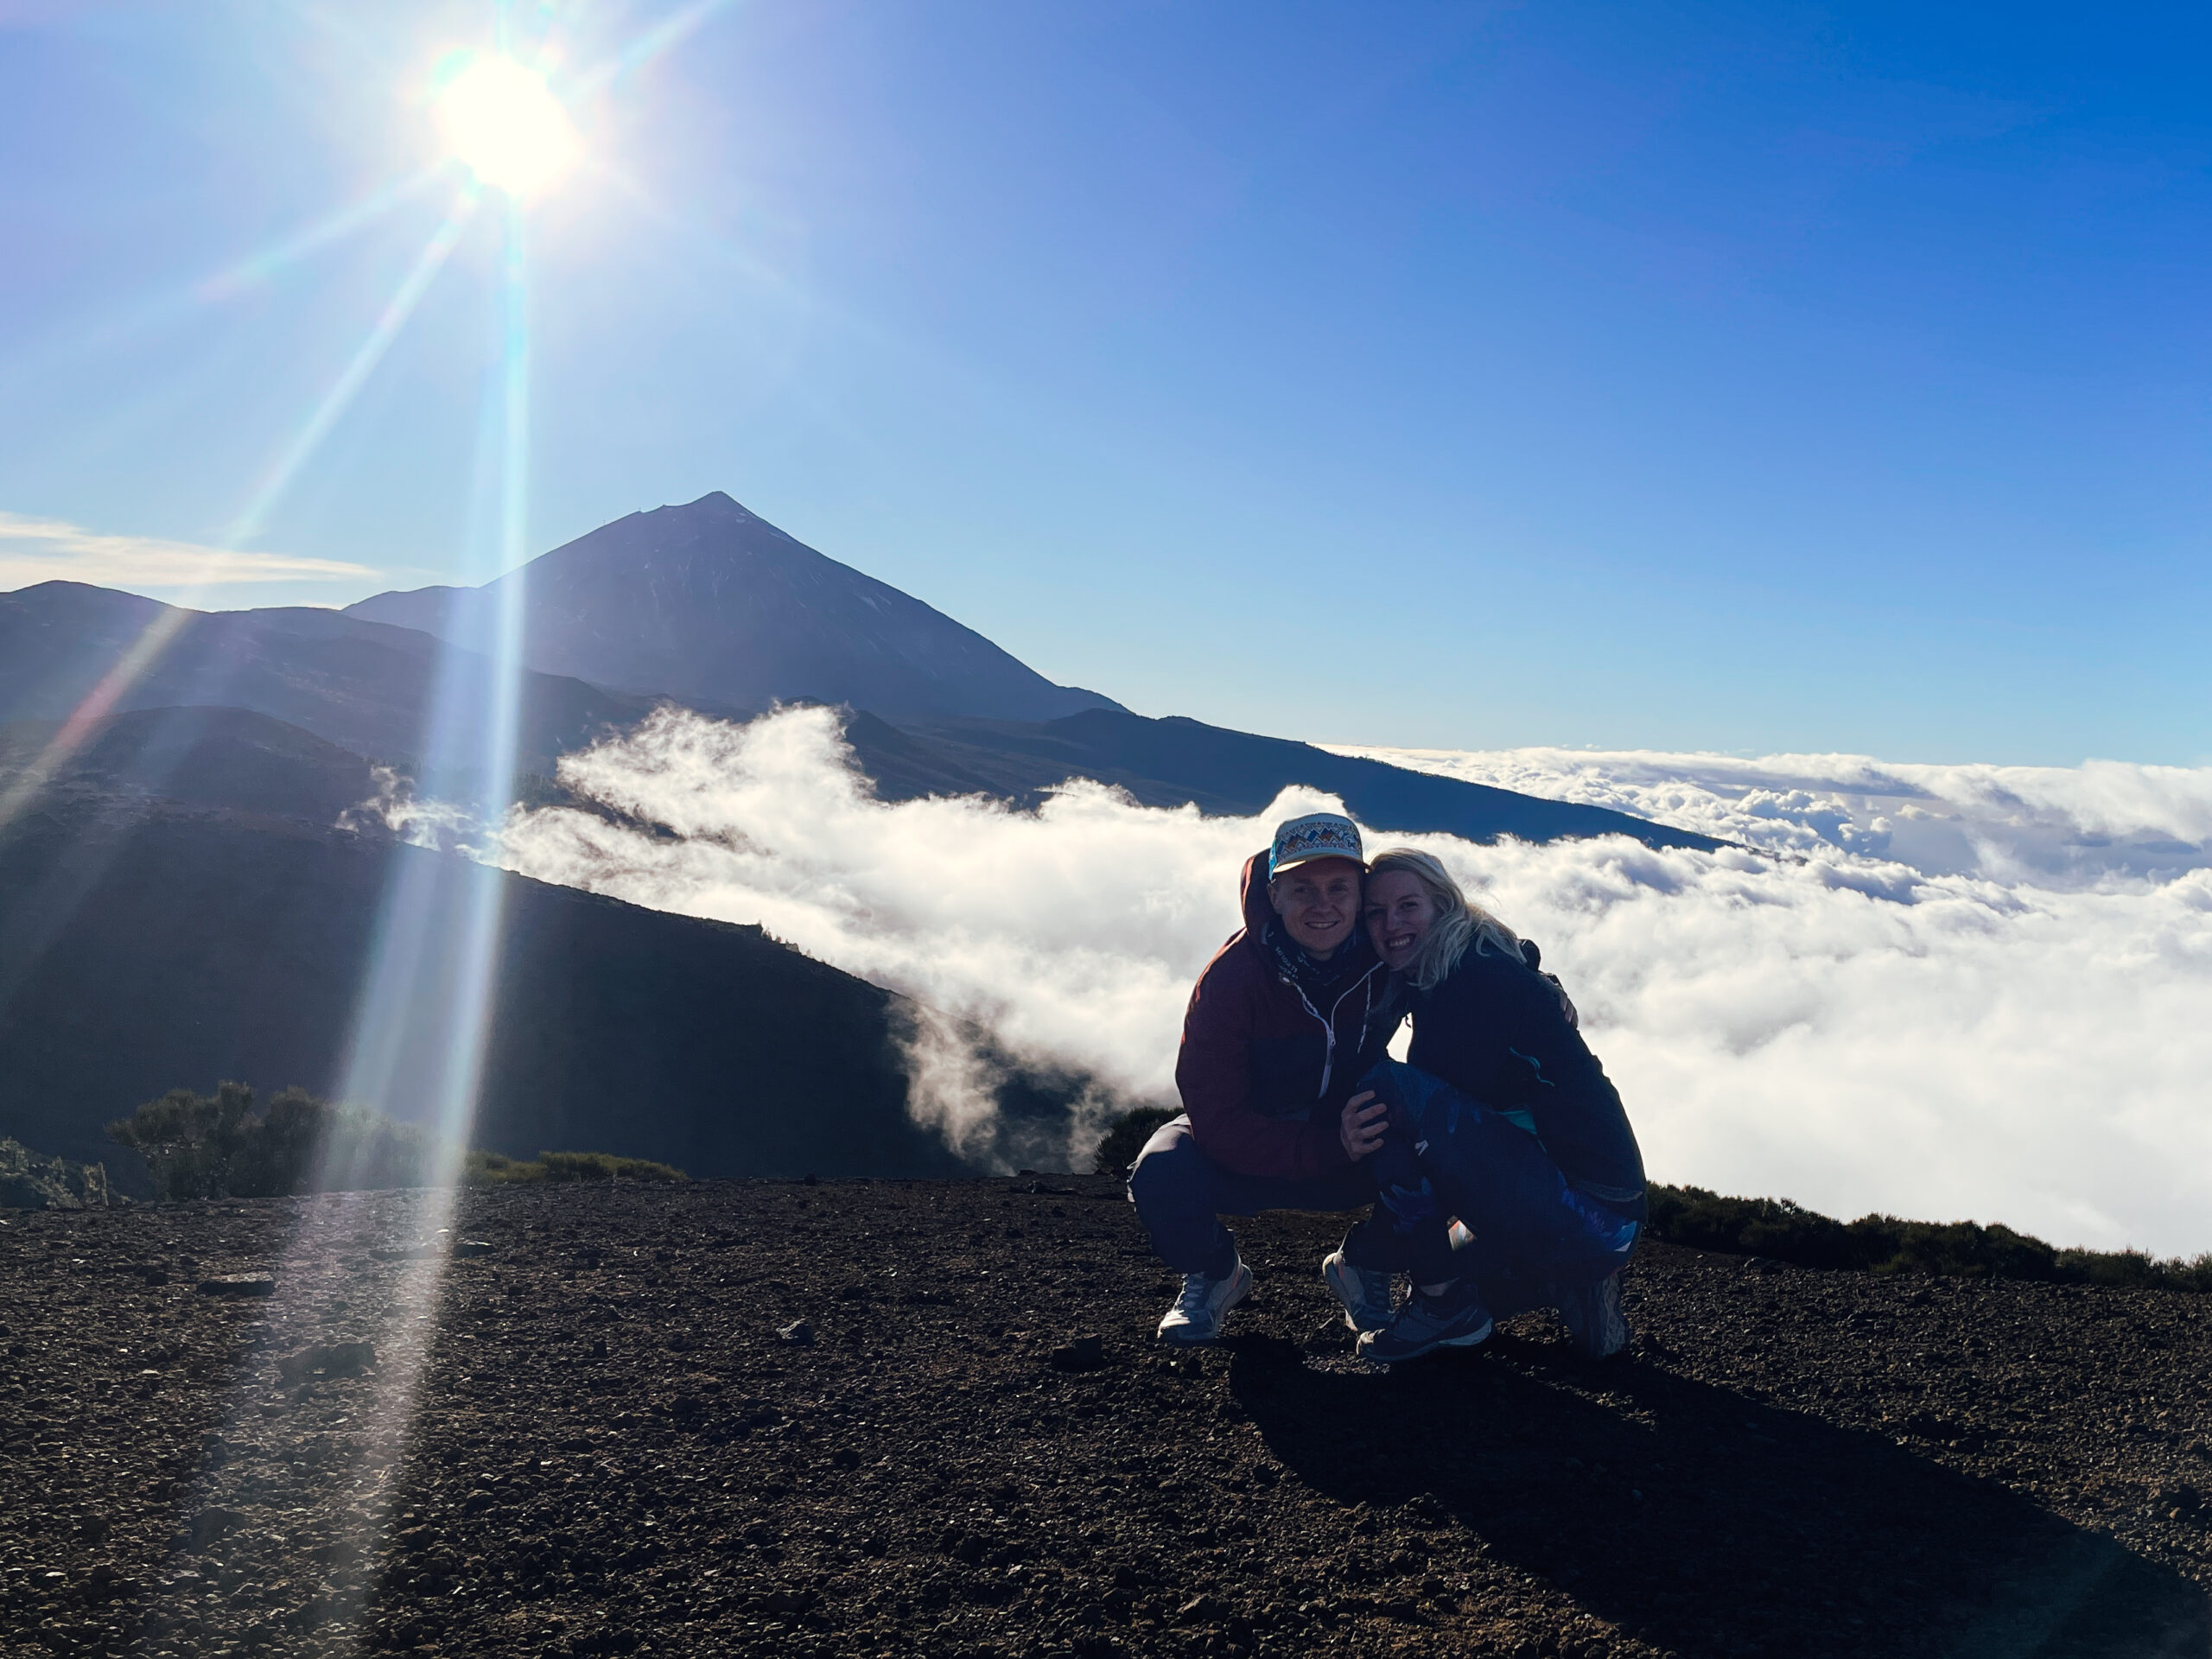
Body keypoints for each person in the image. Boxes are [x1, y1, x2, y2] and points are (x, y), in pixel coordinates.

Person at [1343, 848, 1645, 1363]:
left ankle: (1439, 1306)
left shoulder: (1471, 982)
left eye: (1408, 906)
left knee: (1385, 1090)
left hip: (1586, 1213)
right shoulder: (1470, 960)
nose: (1390, 923)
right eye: (1375, 912)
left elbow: (1430, 1139)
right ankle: (1569, 1286)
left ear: (1443, 906)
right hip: (1599, 1219)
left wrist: (1369, 1252)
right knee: (1457, 1275)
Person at [1126, 812, 1416, 1344]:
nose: (1321, 904)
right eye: (1301, 888)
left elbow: (1466, 960)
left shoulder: (1389, 954)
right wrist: (1332, 1147)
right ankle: (1217, 1273)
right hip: (1259, 1143)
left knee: (1435, 1148)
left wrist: (1539, 985)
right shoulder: (1232, 980)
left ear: (1360, 894)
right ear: (1274, 895)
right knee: (1162, 1171)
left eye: (1338, 888)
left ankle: (1366, 1265)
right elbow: (1216, 1117)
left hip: (1350, 1133)